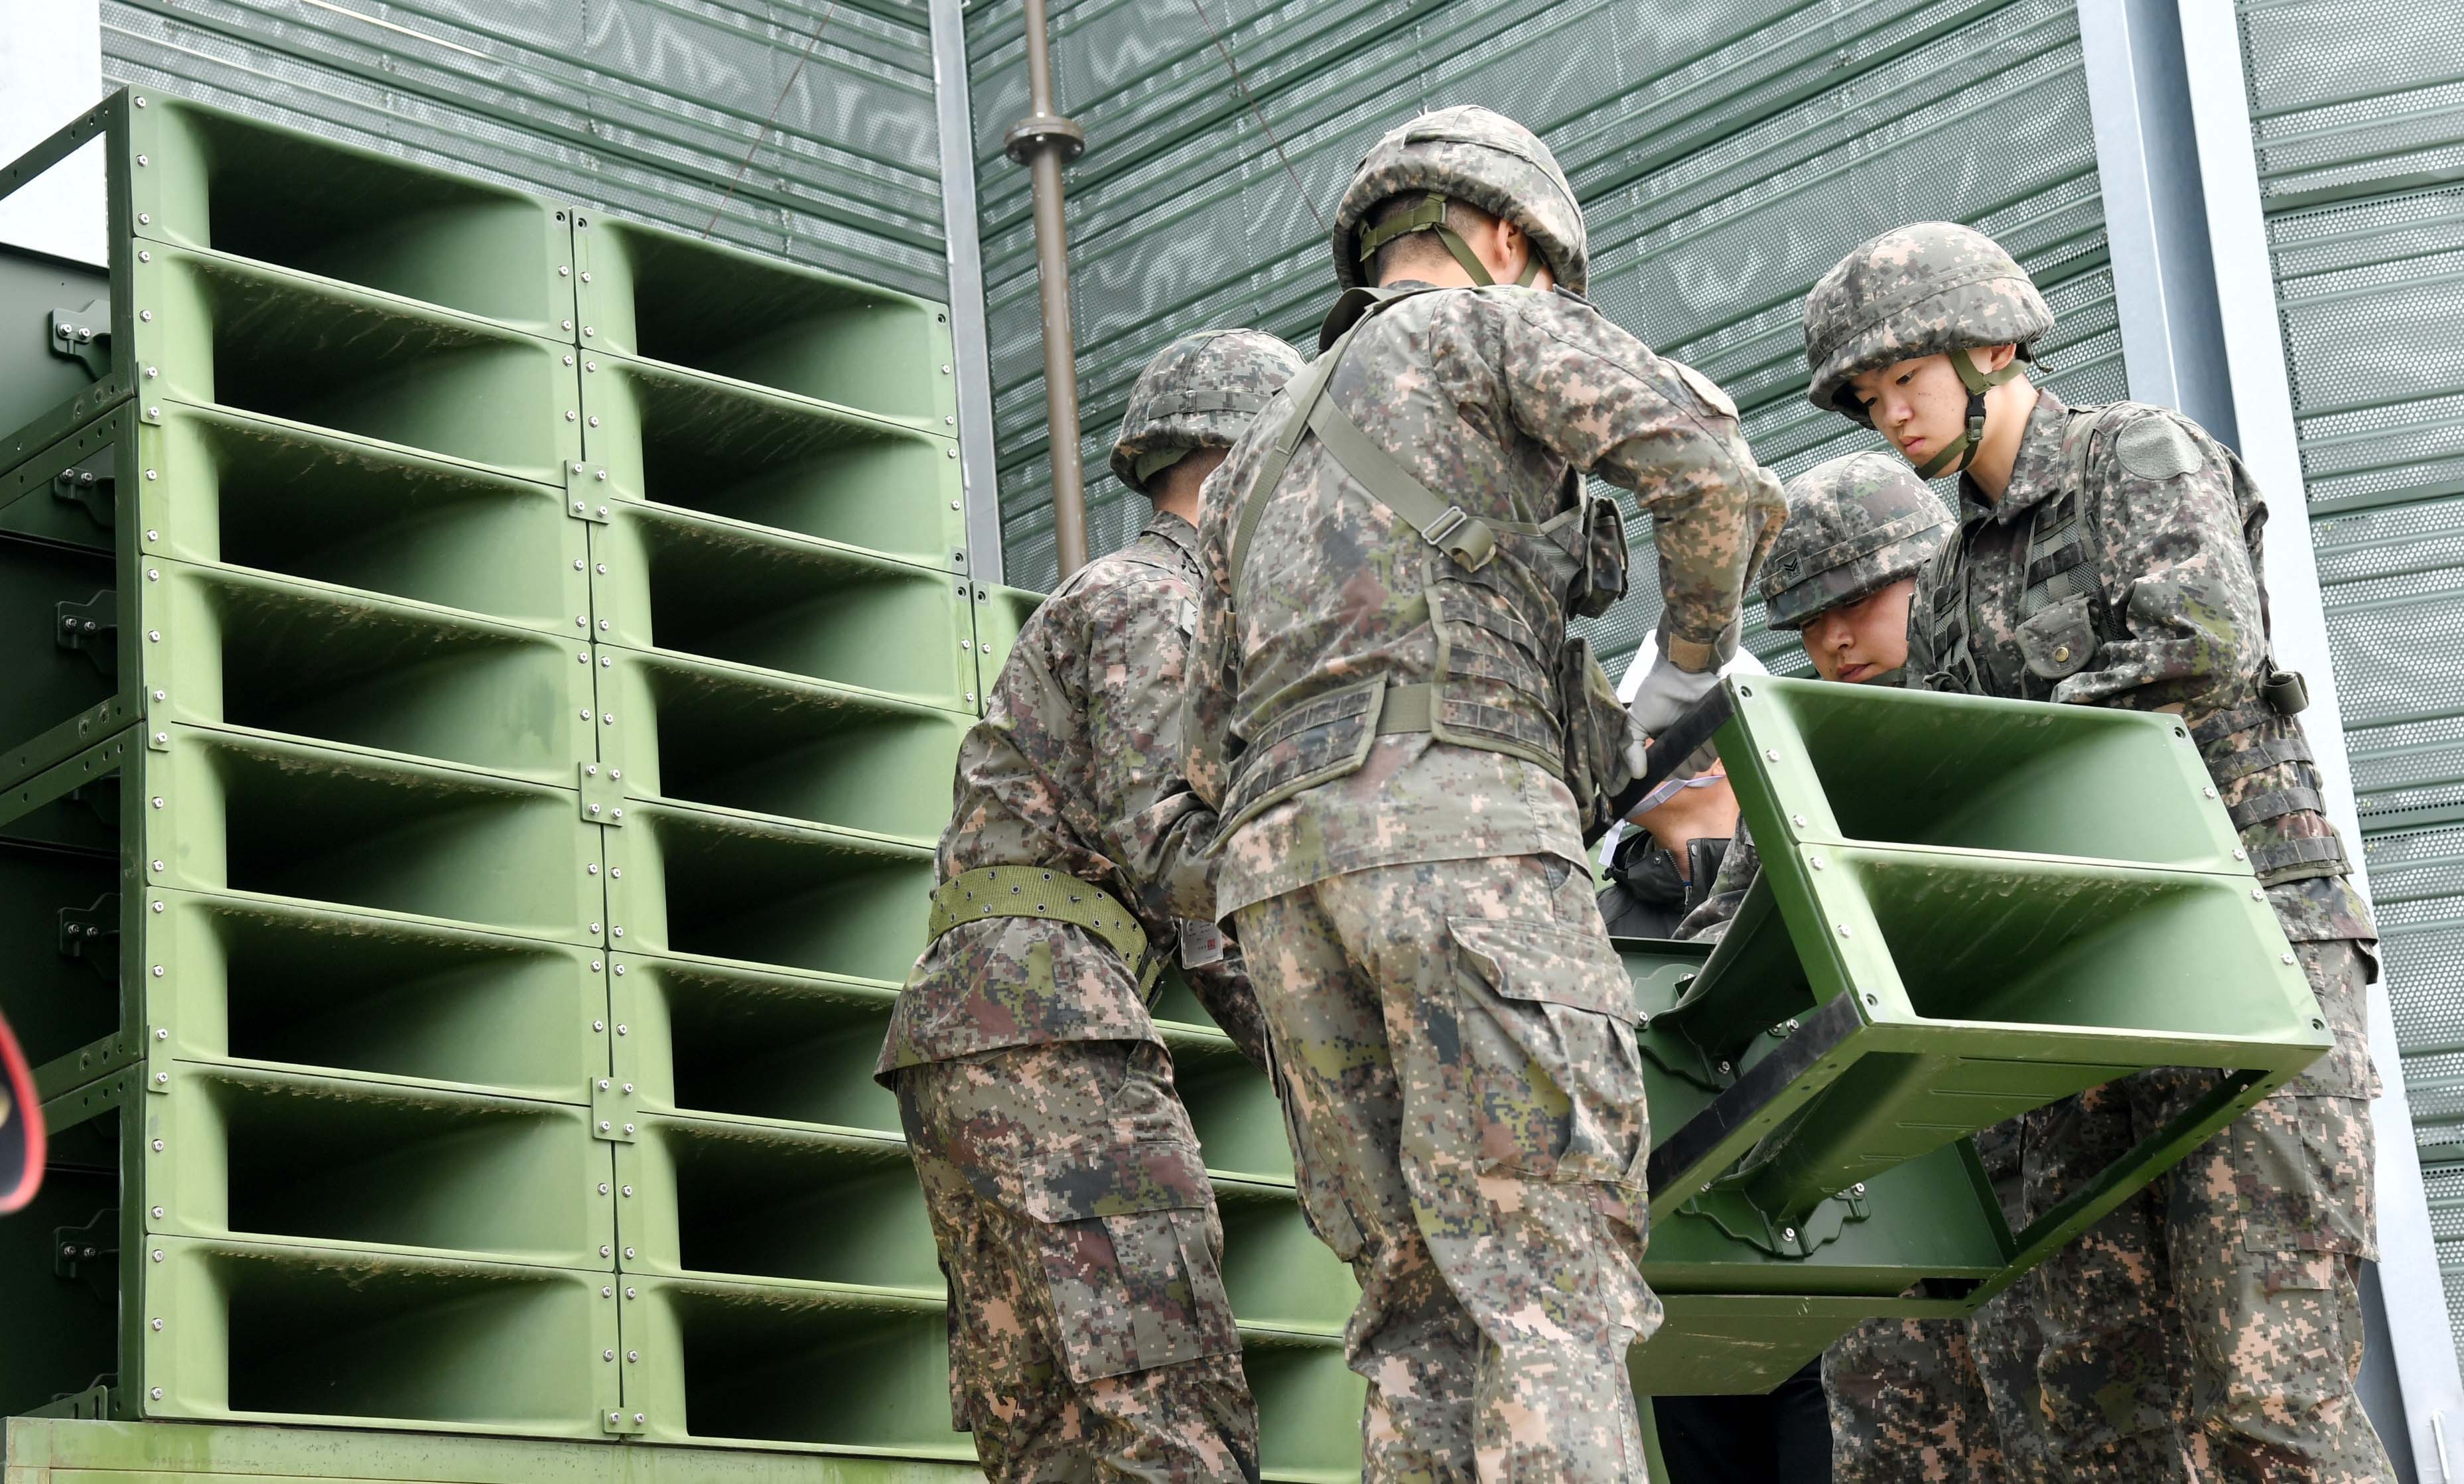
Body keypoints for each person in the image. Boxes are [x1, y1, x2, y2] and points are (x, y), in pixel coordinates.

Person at [1184, 103, 1784, 1481]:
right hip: (1464, 839)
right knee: (1547, 1288)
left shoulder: (1248, 467)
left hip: (1285, 891)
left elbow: (1198, 744)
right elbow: (1710, 475)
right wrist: (1682, 675)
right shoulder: (1490, 330)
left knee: (1414, 1317)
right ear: (1508, 237)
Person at [1803, 221, 2388, 1484]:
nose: (1889, 413)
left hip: (2245, 951)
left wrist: (2001, 783)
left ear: (1993, 345)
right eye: (1867, 397)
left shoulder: (2137, 456)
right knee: (2089, 1391)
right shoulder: (1950, 581)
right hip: (2079, 998)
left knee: (2263, 1375)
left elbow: (2194, 647)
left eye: (1904, 377)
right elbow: (1950, 784)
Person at [877, 328, 1301, 1483]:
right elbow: (1183, 858)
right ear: (1248, 461)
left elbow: (1183, 903)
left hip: (994, 1023)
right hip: (1053, 1023)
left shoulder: (1133, 598)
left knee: (1054, 1433)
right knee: (1168, 1402)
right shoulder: (1162, 602)